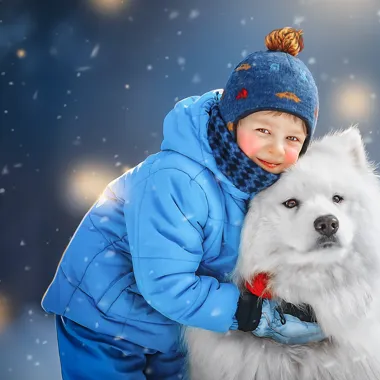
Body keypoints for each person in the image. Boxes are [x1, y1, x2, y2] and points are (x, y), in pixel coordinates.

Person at [41, 27, 323, 379]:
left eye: (293, 138)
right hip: (106, 316)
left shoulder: (261, 184)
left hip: (174, 325)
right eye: (264, 130)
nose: (277, 149)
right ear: (233, 123)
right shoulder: (178, 180)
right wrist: (253, 314)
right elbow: (166, 282)